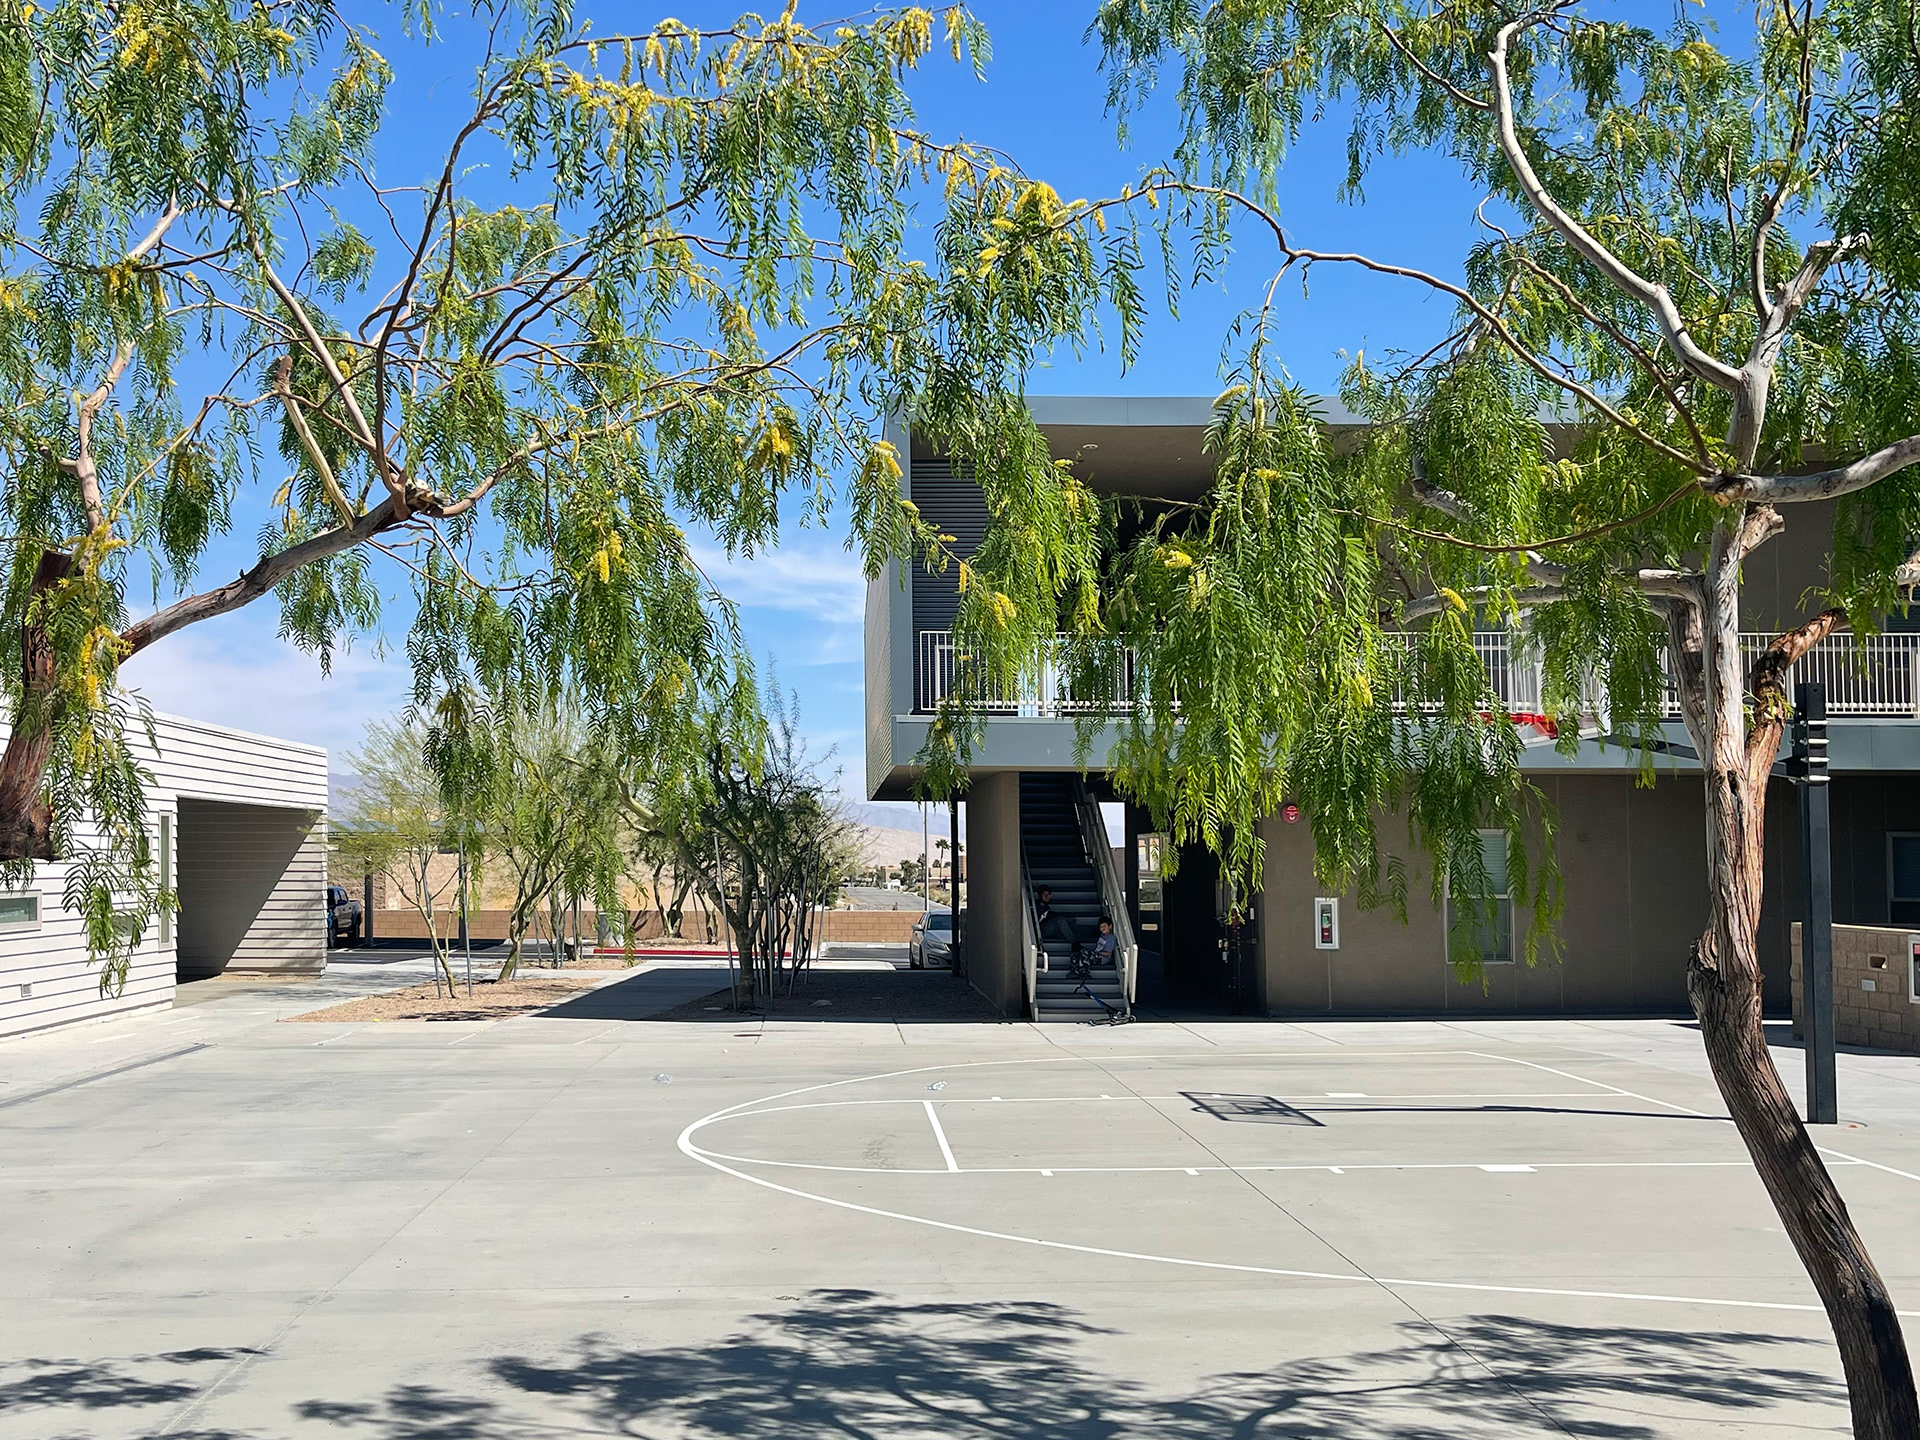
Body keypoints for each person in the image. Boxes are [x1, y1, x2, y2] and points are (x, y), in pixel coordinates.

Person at [1035, 885, 1079, 957]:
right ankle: (1074, 943)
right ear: (1040, 895)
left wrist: (1067, 919)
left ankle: (1091, 932)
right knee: (1060, 921)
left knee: (1068, 927)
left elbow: (1052, 915)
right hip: (1040, 931)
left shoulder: (1046, 907)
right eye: (1044, 894)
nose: (1047, 897)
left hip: (1045, 929)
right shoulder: (1036, 906)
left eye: (1048, 894)